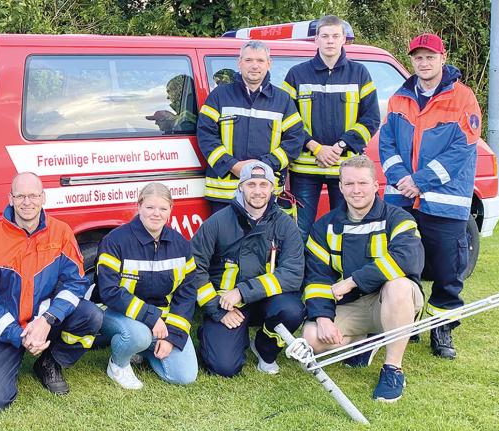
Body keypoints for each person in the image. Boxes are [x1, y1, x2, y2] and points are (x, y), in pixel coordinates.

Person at [379, 32, 482, 360]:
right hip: (402, 199)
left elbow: (461, 150)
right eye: (418, 57)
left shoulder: (463, 98)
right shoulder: (399, 97)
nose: (424, 63)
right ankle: (402, 322)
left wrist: (419, 182)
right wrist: (401, 180)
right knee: (401, 262)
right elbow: (387, 144)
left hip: (445, 201)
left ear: (442, 58)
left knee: (446, 270)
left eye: (429, 57)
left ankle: (442, 328)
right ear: (412, 60)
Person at [0, 172, 103, 410]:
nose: (27, 202)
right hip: (5, 327)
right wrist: (19, 336)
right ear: (10, 199)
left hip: (43, 320)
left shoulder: (61, 232)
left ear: (43, 197)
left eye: (33, 195)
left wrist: (47, 320)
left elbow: (75, 283)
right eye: (20, 196)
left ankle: (50, 362)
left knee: (91, 315)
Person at [302, 155, 425, 402]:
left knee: (398, 285)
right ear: (339, 187)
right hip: (354, 305)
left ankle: (393, 369)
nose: (356, 190)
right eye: (349, 184)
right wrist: (323, 317)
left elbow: (407, 258)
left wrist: (353, 281)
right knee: (311, 338)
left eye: (362, 183)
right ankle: (365, 342)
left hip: (393, 300)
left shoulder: (398, 218)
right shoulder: (324, 226)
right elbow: (316, 277)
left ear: (376, 185)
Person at [192, 161, 306, 377]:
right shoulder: (217, 222)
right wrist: (216, 309)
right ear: (241, 186)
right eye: (251, 184)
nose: (258, 191)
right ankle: (214, 333)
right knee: (223, 367)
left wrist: (243, 292)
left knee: (292, 310)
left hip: (265, 300)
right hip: (226, 305)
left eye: (264, 185)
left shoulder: (285, 224)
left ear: (272, 188)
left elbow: (292, 273)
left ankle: (265, 347)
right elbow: (194, 268)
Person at [281, 15, 381, 242]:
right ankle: (299, 277)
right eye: (324, 36)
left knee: (347, 226)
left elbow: (371, 119)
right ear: (315, 39)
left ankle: (345, 275)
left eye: (335, 36)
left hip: (346, 168)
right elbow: (287, 120)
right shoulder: (297, 74)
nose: (330, 41)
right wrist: (316, 147)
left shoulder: (360, 73)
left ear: (343, 39)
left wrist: (340, 146)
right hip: (306, 168)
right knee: (300, 229)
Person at [95, 183, 199, 389]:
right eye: (150, 207)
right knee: (138, 335)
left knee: (184, 376)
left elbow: (186, 295)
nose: (156, 214)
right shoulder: (115, 241)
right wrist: (151, 317)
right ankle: (118, 365)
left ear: (171, 209)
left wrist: (173, 336)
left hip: (163, 322)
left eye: (162, 208)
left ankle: (143, 350)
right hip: (118, 314)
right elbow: (109, 291)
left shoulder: (181, 245)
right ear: (139, 205)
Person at [197, 41, 303, 211]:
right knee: (225, 238)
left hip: (265, 194)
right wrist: (232, 165)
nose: (255, 66)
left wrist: (262, 166)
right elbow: (206, 136)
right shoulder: (219, 96)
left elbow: (294, 141)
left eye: (260, 61)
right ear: (239, 63)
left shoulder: (283, 100)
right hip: (224, 194)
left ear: (269, 63)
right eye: (248, 60)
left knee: (263, 238)